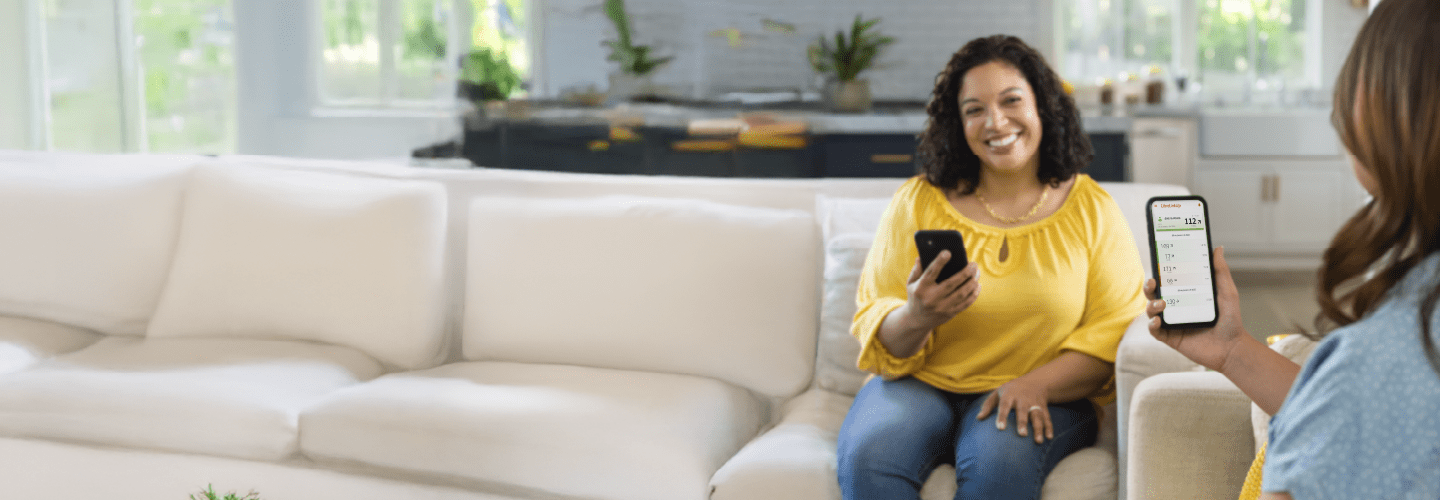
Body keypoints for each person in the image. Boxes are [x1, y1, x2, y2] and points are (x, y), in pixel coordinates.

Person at [1144, 0, 1440, 498]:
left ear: (1373, 104)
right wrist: (1233, 349)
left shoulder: (1387, 354)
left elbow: (1360, 410)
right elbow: (1365, 423)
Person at [835, 34, 1145, 499]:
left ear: (1043, 107)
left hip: (1042, 392)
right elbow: (877, 324)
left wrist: (1036, 383)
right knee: (870, 458)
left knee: (998, 465)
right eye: (974, 109)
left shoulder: (1092, 209)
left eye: (1011, 100)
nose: (995, 121)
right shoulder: (918, 201)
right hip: (922, 385)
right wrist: (918, 317)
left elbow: (1112, 332)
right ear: (958, 124)